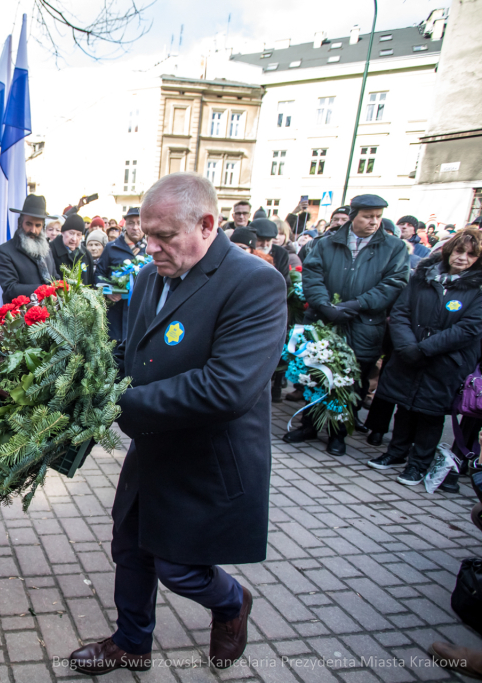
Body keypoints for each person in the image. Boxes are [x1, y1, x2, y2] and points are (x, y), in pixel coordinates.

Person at [69, 172, 287, 675]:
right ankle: (130, 642)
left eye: (163, 236)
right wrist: (82, 373)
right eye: (146, 234)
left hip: (207, 457)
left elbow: (226, 387)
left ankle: (231, 603)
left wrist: (116, 403)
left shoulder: (255, 282)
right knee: (131, 549)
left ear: (207, 225)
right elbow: (133, 350)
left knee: (181, 568)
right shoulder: (150, 276)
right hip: (152, 448)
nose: (150, 248)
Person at [285, 194, 410, 456]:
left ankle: (337, 434)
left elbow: (394, 283)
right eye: (368, 216)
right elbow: (313, 274)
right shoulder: (326, 243)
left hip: (363, 325)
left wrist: (356, 305)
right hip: (322, 320)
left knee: (351, 381)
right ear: (353, 216)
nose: (374, 222)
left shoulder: (394, 247)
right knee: (315, 375)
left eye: (378, 216)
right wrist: (325, 306)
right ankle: (308, 425)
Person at [366, 230, 482, 487]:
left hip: (444, 362)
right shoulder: (423, 277)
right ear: (450, 250)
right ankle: (396, 452)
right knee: (404, 406)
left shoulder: (477, 289)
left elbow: (468, 328)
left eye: (471, 254)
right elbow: (401, 312)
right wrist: (408, 346)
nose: (463, 258)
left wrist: (425, 348)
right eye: (459, 251)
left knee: (429, 414)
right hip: (409, 355)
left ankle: (418, 463)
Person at [0, 195, 59, 304]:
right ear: (20, 223)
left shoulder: (46, 248)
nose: (33, 230)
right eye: (28, 224)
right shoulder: (4, 251)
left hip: (49, 316)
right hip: (21, 317)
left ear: (43, 227)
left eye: (38, 225)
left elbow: (54, 277)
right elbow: (10, 288)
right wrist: (44, 290)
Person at [96, 206, 145, 346]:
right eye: (131, 223)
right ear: (125, 225)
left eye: (139, 222)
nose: (135, 227)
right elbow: (99, 275)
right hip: (115, 313)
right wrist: (109, 292)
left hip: (140, 312)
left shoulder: (151, 249)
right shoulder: (112, 248)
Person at [50, 213, 96, 284]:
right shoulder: (51, 250)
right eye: (71, 233)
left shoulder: (86, 254)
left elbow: (90, 283)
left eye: (78, 235)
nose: (74, 239)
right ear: (62, 232)